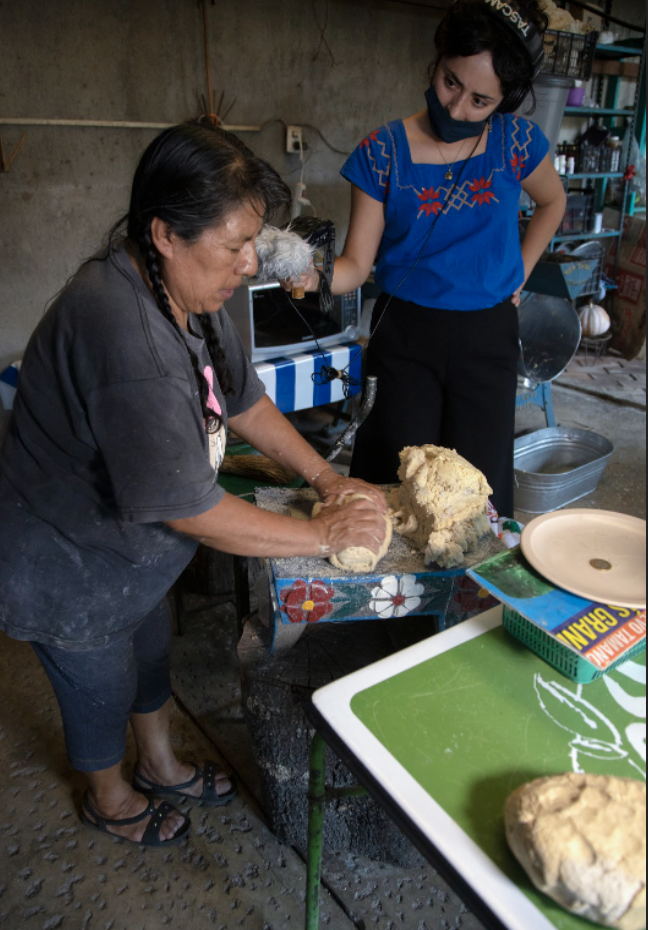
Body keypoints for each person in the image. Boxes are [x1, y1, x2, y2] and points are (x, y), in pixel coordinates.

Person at [0, 120, 388, 848]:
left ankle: (160, 763)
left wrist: (324, 475)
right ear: (166, 233)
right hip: (64, 556)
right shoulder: (124, 329)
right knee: (99, 683)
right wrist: (318, 533)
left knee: (150, 657)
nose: (251, 263)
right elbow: (187, 507)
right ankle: (109, 795)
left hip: (129, 548)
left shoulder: (189, 294)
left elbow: (241, 399)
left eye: (254, 241)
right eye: (235, 244)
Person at [298, 0, 566, 519]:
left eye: (480, 100)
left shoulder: (516, 144)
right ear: (438, 59)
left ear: (504, 101)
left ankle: (467, 599)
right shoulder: (382, 153)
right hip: (405, 338)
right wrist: (313, 273)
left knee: (478, 496)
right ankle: (394, 597)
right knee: (397, 486)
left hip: (488, 337)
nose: (457, 107)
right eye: (450, 82)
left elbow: (552, 202)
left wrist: (521, 273)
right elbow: (357, 264)